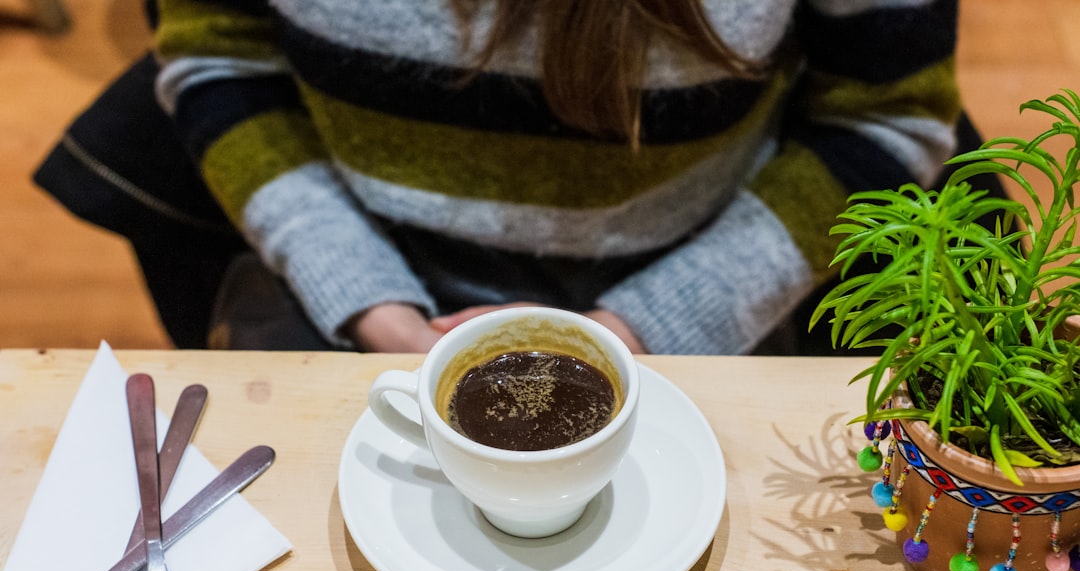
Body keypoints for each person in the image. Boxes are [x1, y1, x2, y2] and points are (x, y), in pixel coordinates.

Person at [36, 0, 963, 354]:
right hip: (356, 263)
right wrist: (360, 294)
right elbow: (219, 58)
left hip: (710, 278)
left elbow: (884, 115)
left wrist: (650, 326)